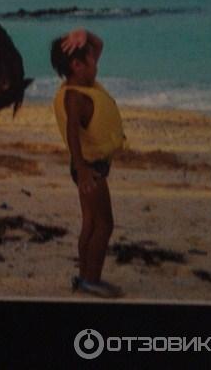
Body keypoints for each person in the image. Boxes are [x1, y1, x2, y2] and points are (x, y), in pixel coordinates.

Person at [50, 28, 126, 298]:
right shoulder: (77, 97)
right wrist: (83, 169)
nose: (97, 65)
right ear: (77, 65)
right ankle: (92, 280)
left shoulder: (84, 85)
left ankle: (84, 277)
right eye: (92, 61)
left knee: (90, 223)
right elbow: (72, 130)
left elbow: (100, 42)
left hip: (88, 166)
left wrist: (84, 34)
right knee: (104, 224)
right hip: (89, 169)